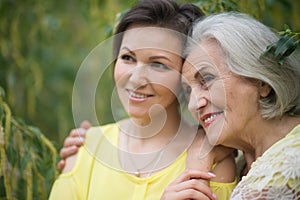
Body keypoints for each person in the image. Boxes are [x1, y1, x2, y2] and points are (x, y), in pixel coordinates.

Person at [49, 1, 237, 200]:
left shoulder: (212, 162)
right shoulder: (85, 148)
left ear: (188, 74)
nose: (136, 79)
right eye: (128, 58)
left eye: (158, 64)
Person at [181, 12, 300, 199]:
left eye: (207, 79)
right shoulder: (234, 169)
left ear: (262, 82)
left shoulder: (294, 161)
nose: (194, 104)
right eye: (188, 91)